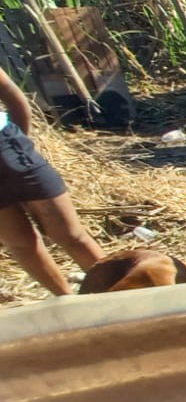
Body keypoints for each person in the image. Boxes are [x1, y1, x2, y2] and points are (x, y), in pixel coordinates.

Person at [0, 66, 105, 295]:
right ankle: (66, 302)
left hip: (10, 149)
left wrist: (21, 142)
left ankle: (121, 294)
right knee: (20, 242)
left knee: (69, 233)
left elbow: (12, 95)